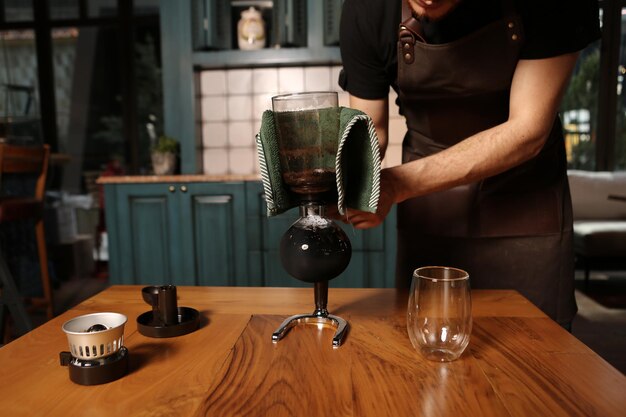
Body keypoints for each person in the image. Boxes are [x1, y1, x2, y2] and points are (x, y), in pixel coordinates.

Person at [338, 0, 601, 328]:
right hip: (430, 212)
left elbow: (528, 131)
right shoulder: (367, 10)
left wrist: (398, 184)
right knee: (427, 345)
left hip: (527, 206)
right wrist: (352, 182)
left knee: (534, 355)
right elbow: (372, 128)